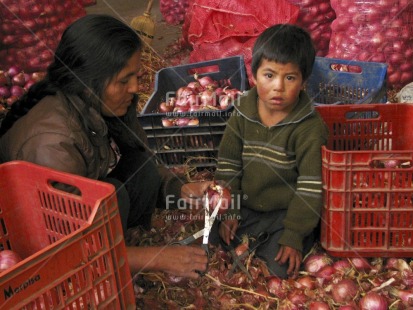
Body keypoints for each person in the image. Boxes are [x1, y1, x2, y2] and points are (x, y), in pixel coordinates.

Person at [0, 14, 207, 279]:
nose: (135, 87)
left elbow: (141, 158)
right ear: (87, 81)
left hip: (79, 226)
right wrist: (157, 258)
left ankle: (125, 250)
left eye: (136, 76)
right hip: (45, 253)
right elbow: (67, 250)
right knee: (112, 194)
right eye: (124, 80)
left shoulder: (98, 104)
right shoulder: (52, 143)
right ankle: (117, 265)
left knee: (136, 172)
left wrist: (181, 190)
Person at [185, 24, 329, 278]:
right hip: (247, 207)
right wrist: (231, 212)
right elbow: (229, 165)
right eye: (269, 75)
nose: (278, 87)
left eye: (290, 78)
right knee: (211, 245)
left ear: (304, 82)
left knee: (277, 268)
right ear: (254, 75)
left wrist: (293, 235)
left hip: (285, 214)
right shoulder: (242, 113)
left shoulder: (309, 127)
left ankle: (294, 238)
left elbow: (310, 188)